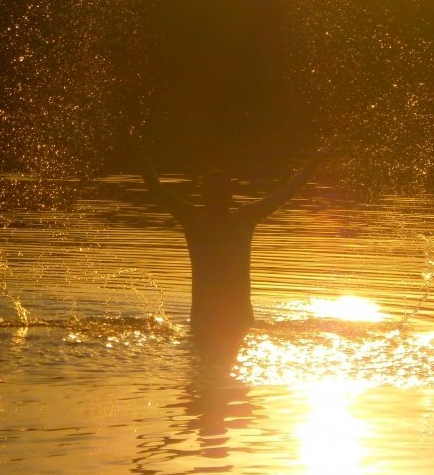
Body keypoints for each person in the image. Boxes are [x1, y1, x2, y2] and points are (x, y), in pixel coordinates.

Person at [137, 142, 331, 359]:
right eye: (213, 191)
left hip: (223, 320)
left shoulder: (214, 219)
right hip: (218, 320)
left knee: (206, 371)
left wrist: (314, 163)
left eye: (219, 191)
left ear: (228, 195)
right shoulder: (214, 219)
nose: (216, 196)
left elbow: (155, 186)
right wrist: (313, 163)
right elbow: (285, 192)